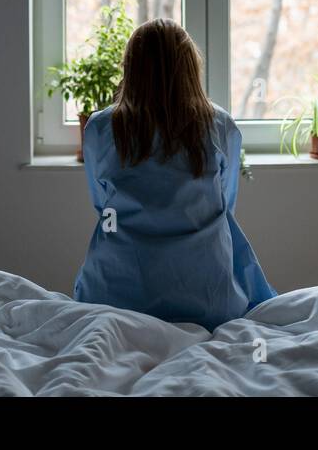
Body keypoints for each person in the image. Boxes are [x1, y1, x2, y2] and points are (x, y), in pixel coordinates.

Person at [74, 18, 276, 330]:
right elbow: (225, 206)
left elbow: (102, 205)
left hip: (116, 297)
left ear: (131, 68)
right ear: (189, 69)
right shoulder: (221, 126)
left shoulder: (101, 128)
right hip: (207, 299)